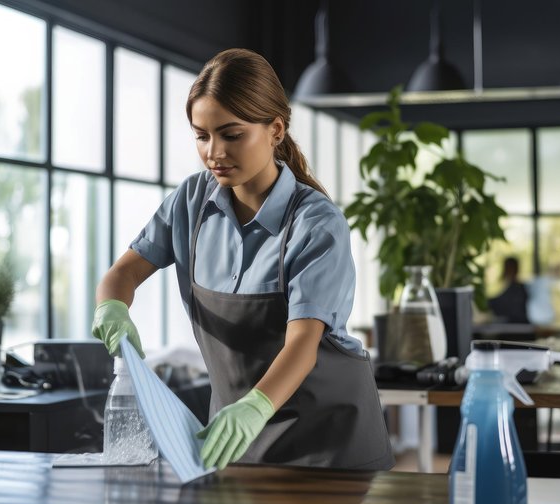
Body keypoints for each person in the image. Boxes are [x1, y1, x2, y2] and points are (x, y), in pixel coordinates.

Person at [91, 48, 394, 472]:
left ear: (275, 130)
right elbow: (124, 272)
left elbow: (303, 345)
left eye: (231, 135)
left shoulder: (316, 223)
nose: (214, 152)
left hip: (330, 446)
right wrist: (113, 306)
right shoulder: (190, 203)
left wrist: (254, 407)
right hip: (235, 444)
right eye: (202, 135)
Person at [487, 256, 530, 324]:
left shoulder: (519, 288)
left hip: (518, 326)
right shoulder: (509, 286)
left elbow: (504, 305)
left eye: (509, 268)